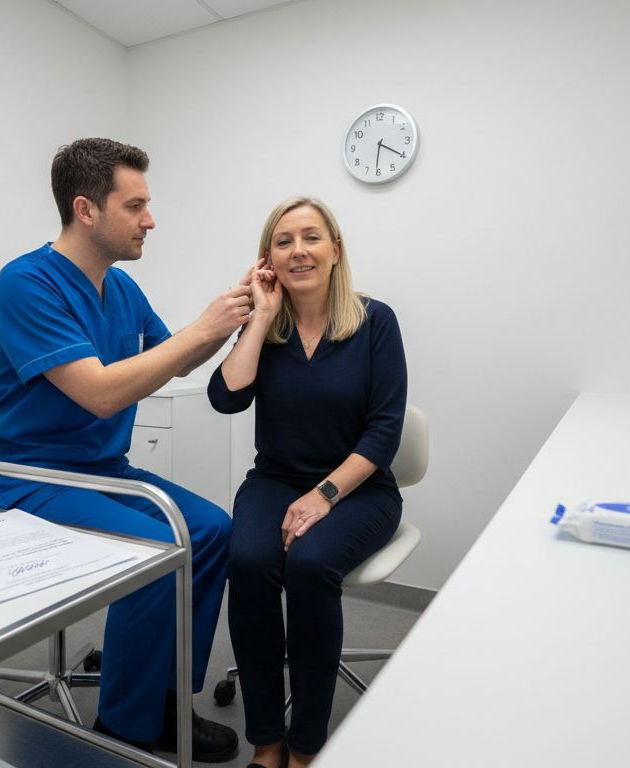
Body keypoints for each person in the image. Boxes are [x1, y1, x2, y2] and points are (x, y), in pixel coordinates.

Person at [0, 138, 250, 762]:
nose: (150, 219)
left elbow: (172, 359)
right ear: (87, 210)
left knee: (210, 530)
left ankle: (166, 701)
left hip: (101, 471)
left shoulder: (119, 288)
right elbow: (98, 394)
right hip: (23, 475)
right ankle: (125, 728)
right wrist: (203, 330)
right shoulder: (24, 284)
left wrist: (234, 316)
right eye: (136, 205)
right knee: (155, 548)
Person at [208, 197, 407, 768]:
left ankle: (306, 746)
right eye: (283, 240)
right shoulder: (266, 327)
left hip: (360, 488)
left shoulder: (376, 322)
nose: (298, 250)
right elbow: (226, 398)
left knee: (310, 564)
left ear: (336, 250)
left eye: (312, 237)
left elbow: (385, 431)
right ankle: (267, 740)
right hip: (274, 478)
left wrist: (324, 497)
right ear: (267, 259)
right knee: (246, 561)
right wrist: (260, 316)